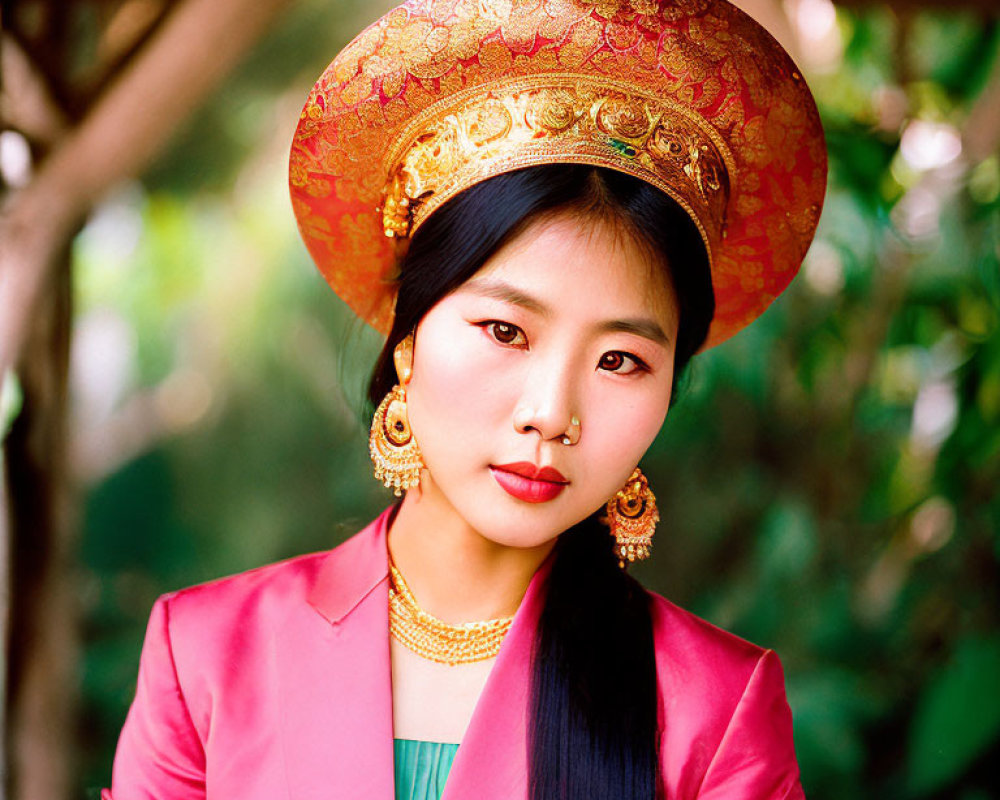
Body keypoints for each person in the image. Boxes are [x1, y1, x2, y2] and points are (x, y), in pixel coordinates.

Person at [104, 0, 826, 798]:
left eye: (620, 359)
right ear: (408, 337)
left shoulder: (715, 712)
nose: (552, 413)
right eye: (506, 331)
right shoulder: (204, 659)